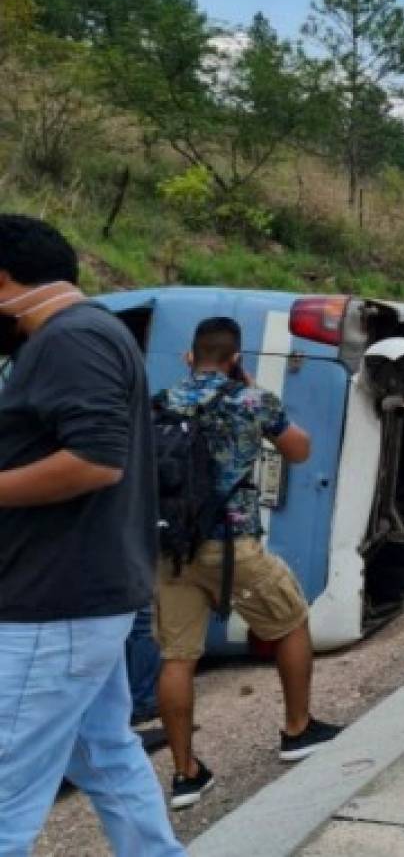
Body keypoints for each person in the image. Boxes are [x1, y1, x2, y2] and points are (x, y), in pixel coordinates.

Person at [0, 215, 184, 855]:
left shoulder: (70, 339)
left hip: (53, 604)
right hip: (81, 598)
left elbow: (95, 460)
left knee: (5, 793)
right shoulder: (86, 333)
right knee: (104, 755)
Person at [155, 317, 341, 809]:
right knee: (291, 621)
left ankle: (185, 775)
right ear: (236, 358)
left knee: (178, 657)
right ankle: (299, 730)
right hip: (233, 545)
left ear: (190, 357)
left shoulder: (160, 402)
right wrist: (253, 388)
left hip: (171, 550)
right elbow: (299, 450)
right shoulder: (250, 400)